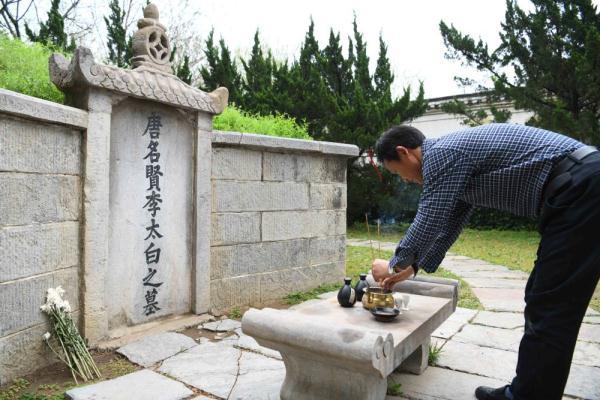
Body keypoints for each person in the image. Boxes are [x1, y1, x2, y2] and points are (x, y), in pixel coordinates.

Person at [370, 124, 600, 400]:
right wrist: (412, 267)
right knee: (543, 299)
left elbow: (429, 218)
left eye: (397, 172)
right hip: (580, 188)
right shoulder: (451, 161)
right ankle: (525, 392)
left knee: (551, 306)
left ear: (403, 152)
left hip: (581, 189)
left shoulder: (441, 155)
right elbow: (449, 222)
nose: (405, 180)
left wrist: (393, 264)